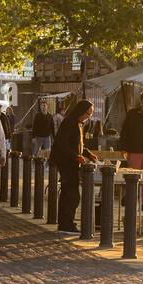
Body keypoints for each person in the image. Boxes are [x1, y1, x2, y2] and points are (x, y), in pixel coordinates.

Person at [52, 100, 95, 234]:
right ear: (81, 111)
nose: (88, 117)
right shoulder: (69, 122)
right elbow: (62, 143)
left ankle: (65, 222)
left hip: (71, 161)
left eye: (90, 115)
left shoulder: (78, 123)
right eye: (87, 114)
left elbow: (77, 144)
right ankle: (66, 224)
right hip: (66, 161)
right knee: (72, 194)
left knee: (68, 192)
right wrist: (75, 156)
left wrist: (88, 153)